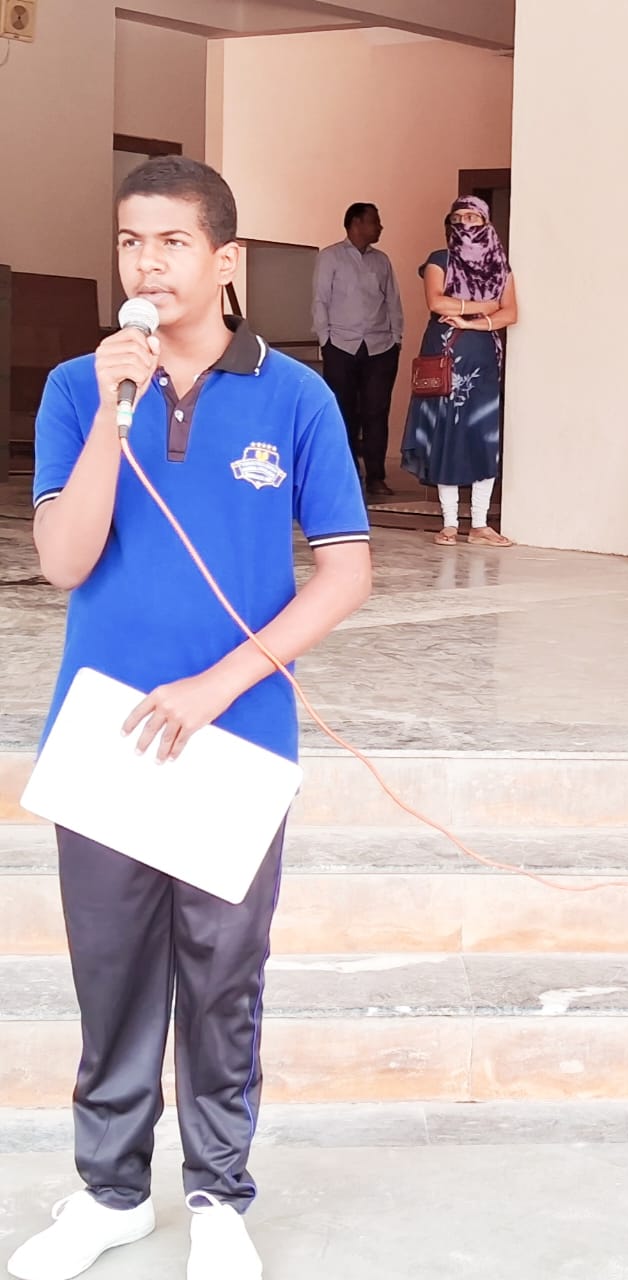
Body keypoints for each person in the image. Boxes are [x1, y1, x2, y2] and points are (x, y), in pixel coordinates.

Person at [7, 157, 371, 1280]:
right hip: (106, 735)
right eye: (130, 242)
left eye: (171, 242)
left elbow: (346, 571)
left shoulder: (295, 397)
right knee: (111, 978)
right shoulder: (78, 388)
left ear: (226, 259)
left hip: (236, 732)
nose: (147, 264)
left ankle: (217, 1196)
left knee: (223, 980)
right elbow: (65, 561)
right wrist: (112, 415)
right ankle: (111, 1194)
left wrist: (220, 685)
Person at [401, 196, 518, 546]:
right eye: (459, 218)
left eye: (473, 217)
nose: (465, 223)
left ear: (486, 223)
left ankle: (480, 524)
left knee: (483, 436)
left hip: (482, 362)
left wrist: (473, 322)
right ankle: (449, 522)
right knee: (447, 434)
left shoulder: (499, 267)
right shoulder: (440, 260)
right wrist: (483, 306)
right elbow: (436, 301)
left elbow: (510, 313)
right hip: (445, 360)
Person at [312, 201, 403, 500]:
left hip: (380, 347)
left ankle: (376, 477)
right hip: (341, 345)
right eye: (375, 221)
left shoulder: (382, 260)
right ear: (356, 224)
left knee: (377, 412)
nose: (380, 227)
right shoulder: (331, 257)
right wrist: (325, 340)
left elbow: (392, 301)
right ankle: (348, 474)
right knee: (343, 412)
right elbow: (320, 300)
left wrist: (396, 339)